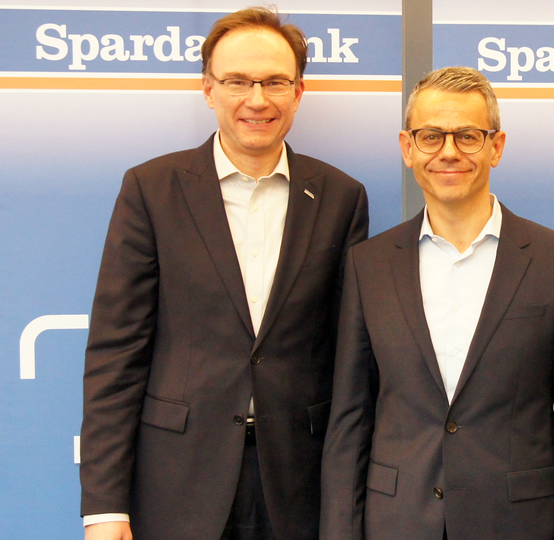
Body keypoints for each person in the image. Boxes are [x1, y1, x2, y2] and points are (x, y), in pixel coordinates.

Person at [79, 7, 368, 540]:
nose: (257, 100)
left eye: (275, 82)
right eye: (237, 81)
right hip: (178, 481)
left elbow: (349, 360)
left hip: (299, 484)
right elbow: (114, 357)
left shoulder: (341, 198)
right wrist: (104, 507)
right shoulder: (151, 189)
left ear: (298, 92)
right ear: (208, 90)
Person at [319, 66, 554, 540]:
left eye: (468, 136)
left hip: (518, 524)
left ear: (496, 145)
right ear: (407, 147)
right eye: (431, 136)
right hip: (397, 522)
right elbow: (349, 421)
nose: (449, 152)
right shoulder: (367, 266)